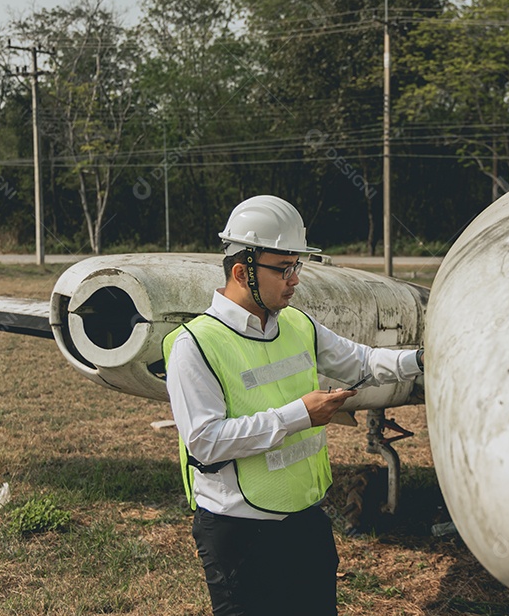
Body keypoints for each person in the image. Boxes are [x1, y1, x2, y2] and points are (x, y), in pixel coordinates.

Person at [163, 195, 424, 615]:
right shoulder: (195, 346)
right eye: (284, 268)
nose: (295, 279)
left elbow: (360, 360)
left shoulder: (298, 325)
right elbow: (205, 442)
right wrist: (300, 415)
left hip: (305, 521)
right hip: (238, 533)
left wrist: (420, 360)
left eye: (297, 266)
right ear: (240, 271)